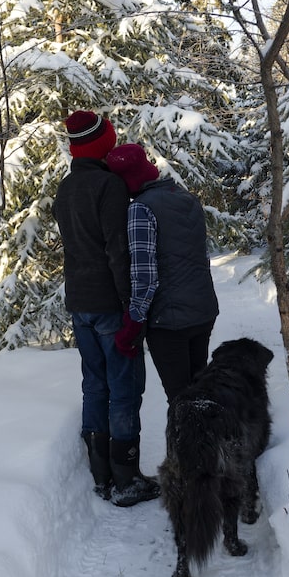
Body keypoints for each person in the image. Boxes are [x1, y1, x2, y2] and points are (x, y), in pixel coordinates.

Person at [51, 110, 160, 507]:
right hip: (109, 307)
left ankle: (101, 475)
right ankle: (126, 479)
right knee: (125, 389)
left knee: (95, 384)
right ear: (103, 143)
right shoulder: (109, 187)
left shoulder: (65, 189)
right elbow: (119, 252)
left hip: (79, 303)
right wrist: (131, 308)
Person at [105, 143, 219, 404]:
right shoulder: (186, 197)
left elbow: (145, 276)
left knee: (181, 401)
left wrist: (133, 322)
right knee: (199, 393)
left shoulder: (141, 209)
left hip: (169, 323)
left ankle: (186, 446)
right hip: (203, 311)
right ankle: (212, 444)